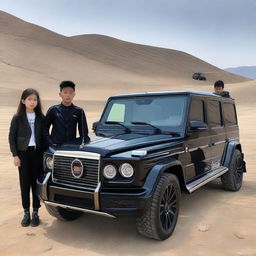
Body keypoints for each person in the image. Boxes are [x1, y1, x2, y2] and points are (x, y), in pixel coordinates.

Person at [9, 88, 48, 227]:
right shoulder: (17, 117)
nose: (32, 102)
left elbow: (45, 137)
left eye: (35, 99)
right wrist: (15, 155)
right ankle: (26, 212)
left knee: (35, 183)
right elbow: (11, 137)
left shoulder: (41, 117)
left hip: (37, 154)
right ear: (23, 101)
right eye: (30, 99)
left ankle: (35, 212)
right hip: (23, 154)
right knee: (24, 184)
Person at [45, 80, 90, 146]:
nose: (68, 95)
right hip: (55, 146)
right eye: (65, 92)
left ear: (74, 94)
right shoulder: (53, 110)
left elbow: (84, 133)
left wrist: (77, 144)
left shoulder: (79, 111)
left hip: (71, 147)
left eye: (70, 93)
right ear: (60, 94)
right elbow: (45, 129)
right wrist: (50, 143)